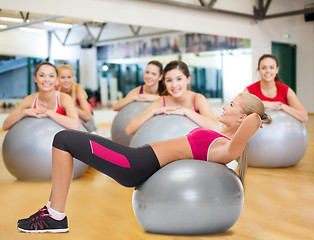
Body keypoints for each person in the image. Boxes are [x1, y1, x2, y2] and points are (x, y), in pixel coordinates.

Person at [17, 92, 271, 233]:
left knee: (63, 139)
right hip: (137, 157)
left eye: (233, 105)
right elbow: (242, 126)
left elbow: (241, 139)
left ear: (243, 118)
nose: (226, 107)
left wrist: (256, 119)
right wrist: (250, 116)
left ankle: (54, 215)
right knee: (67, 140)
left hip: (134, 163)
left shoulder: (224, 149)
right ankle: (52, 211)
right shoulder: (217, 135)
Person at [125, 60, 219, 136]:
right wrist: (153, 112)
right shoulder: (162, 101)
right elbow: (129, 130)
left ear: (188, 79)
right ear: (164, 82)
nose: (174, 85)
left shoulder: (198, 99)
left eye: (179, 79)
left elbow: (215, 127)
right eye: (169, 80)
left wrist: (185, 111)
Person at [2, 62, 79, 131]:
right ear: (35, 78)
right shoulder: (29, 99)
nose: (46, 80)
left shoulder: (64, 98)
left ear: (56, 80)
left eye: (51, 76)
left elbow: (75, 125)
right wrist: (24, 112)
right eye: (42, 75)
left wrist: (49, 113)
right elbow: (5, 125)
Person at [244, 54, 308, 123]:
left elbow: (304, 117)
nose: (267, 71)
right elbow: (238, 113)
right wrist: (262, 104)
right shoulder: (248, 91)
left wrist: (281, 106)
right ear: (259, 70)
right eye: (263, 68)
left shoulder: (286, 90)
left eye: (271, 68)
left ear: (277, 69)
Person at [57, 64, 96, 132]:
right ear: (57, 78)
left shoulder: (78, 90)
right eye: (63, 77)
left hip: (87, 121)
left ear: (73, 77)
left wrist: (68, 106)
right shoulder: (56, 90)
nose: (66, 80)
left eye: (69, 77)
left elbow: (87, 117)